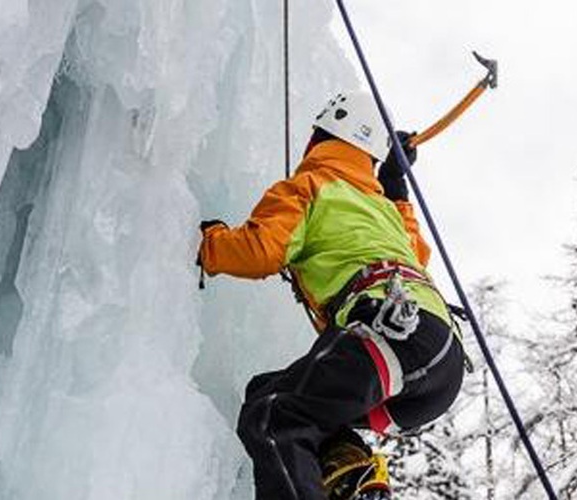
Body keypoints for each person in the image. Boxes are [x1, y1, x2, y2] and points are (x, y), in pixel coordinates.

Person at [197, 90, 465, 500]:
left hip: (389, 330)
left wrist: (206, 240)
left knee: (272, 418)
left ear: (319, 137)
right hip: (440, 364)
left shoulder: (311, 185)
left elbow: (261, 250)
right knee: (270, 392)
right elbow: (417, 254)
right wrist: (396, 185)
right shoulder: (384, 209)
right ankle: (350, 476)